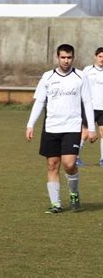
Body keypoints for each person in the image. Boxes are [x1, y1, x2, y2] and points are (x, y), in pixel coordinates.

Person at [26, 43, 96, 213]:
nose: (66, 61)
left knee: (69, 164)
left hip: (72, 127)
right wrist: (30, 124)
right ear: (57, 57)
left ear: (73, 58)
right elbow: (40, 102)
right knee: (52, 165)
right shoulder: (47, 77)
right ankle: (56, 204)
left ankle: (74, 192)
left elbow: (87, 102)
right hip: (51, 127)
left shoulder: (81, 76)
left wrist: (91, 127)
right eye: (63, 57)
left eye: (69, 57)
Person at [77, 47, 103, 166]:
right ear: (95, 57)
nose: (102, 59)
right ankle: (76, 157)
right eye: (100, 56)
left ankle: (102, 159)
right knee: (85, 133)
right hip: (90, 107)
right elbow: (79, 85)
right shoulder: (87, 70)